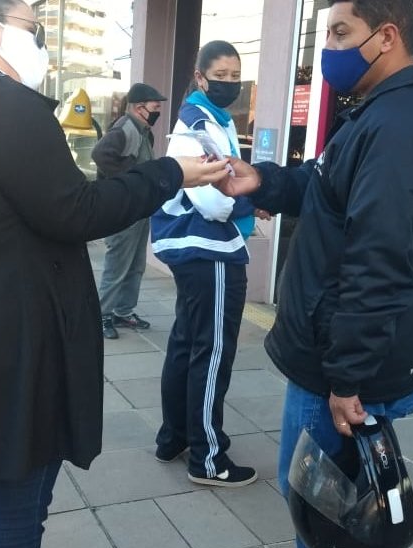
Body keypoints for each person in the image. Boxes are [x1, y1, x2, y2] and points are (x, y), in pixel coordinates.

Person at [0, 1, 230, 548]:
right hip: (0, 355)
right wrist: (171, 172)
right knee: (7, 522)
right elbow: (76, 211)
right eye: (33, 28)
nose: (40, 45)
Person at [221, 0, 413, 548]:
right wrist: (264, 182)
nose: (327, 46)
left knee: (326, 521)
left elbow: (379, 263)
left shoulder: (399, 126)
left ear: (387, 36)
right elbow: (324, 185)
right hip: (339, 355)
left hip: (343, 369)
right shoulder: (379, 112)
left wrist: (347, 376)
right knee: (332, 516)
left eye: (340, 31)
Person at [150, 40, 261, 487]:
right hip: (210, 251)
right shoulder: (197, 126)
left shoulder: (208, 118)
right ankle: (208, 458)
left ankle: (175, 436)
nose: (229, 83)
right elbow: (215, 203)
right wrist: (252, 203)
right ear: (200, 77)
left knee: (186, 344)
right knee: (212, 353)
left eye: (236, 76)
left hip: (195, 251)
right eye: (222, 75)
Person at [92, 82, 168, 340]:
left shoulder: (144, 131)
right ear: (138, 107)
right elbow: (100, 154)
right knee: (117, 265)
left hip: (139, 210)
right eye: (154, 107)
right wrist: (127, 182)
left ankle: (123, 311)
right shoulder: (125, 128)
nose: (157, 111)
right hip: (123, 210)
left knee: (135, 265)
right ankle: (101, 315)